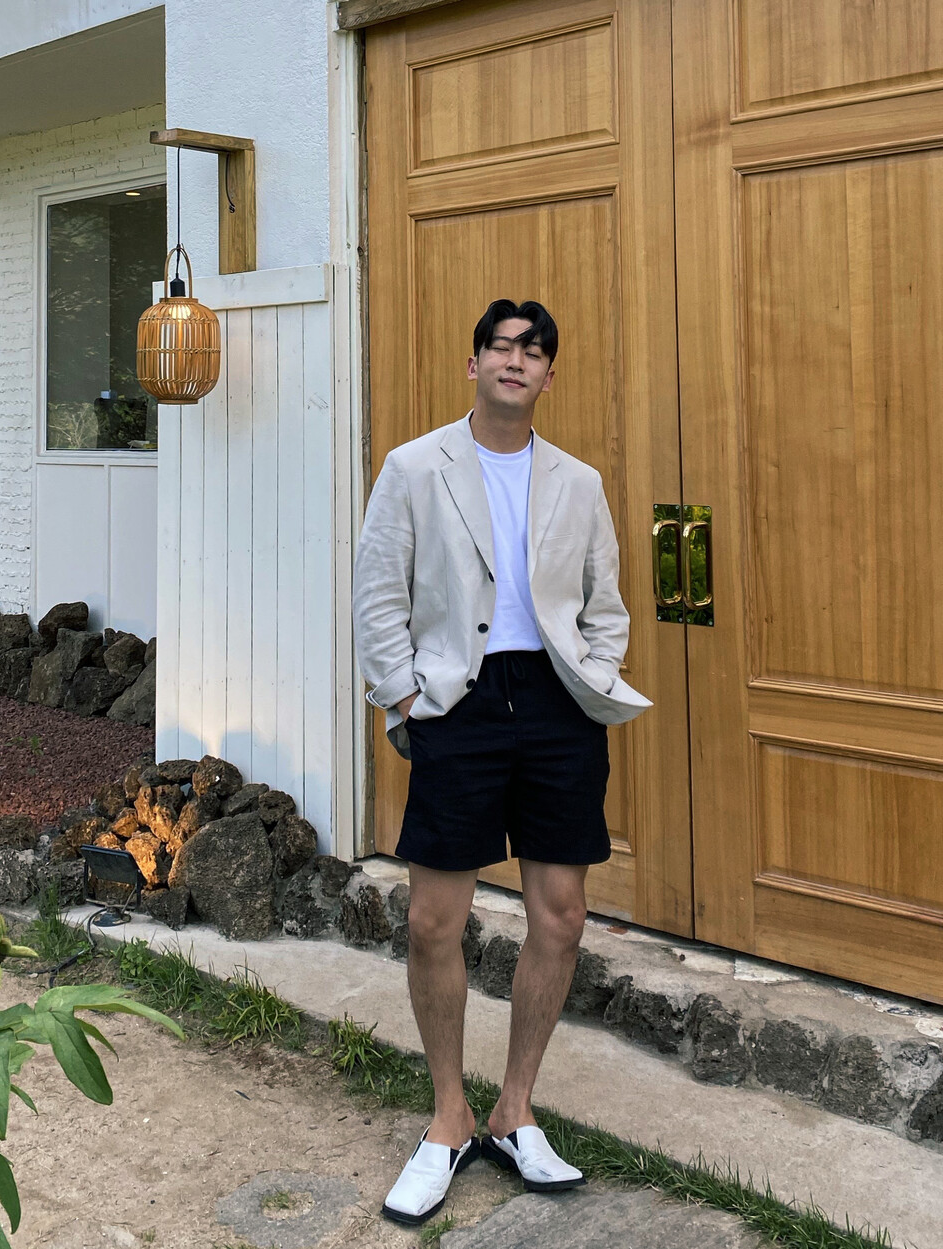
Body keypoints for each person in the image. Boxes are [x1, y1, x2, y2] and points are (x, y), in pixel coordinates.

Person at [352, 298, 651, 1226]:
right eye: (501, 345)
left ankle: (515, 1110)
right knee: (433, 920)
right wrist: (405, 699)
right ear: (474, 361)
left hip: (557, 704)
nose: (516, 360)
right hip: (459, 702)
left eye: (534, 350)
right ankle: (449, 1117)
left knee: (560, 915)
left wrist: (595, 670)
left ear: (550, 375)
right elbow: (378, 593)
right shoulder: (415, 467)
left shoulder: (579, 482)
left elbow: (605, 603)